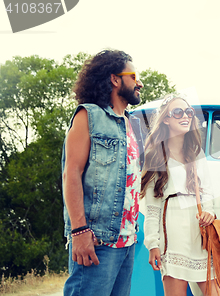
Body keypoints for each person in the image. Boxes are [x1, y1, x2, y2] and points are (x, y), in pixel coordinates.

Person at [61, 49, 144, 296]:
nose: (139, 82)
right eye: (133, 75)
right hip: (97, 240)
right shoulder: (89, 115)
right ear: (115, 79)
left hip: (128, 241)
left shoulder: (130, 123)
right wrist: (79, 231)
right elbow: (71, 174)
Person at [141, 96, 220, 296]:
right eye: (178, 112)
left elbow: (207, 191)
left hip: (198, 231)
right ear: (166, 119)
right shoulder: (155, 155)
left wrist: (209, 211)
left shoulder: (196, 152)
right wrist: (153, 244)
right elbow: (152, 208)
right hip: (172, 232)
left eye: (188, 112)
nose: (185, 116)